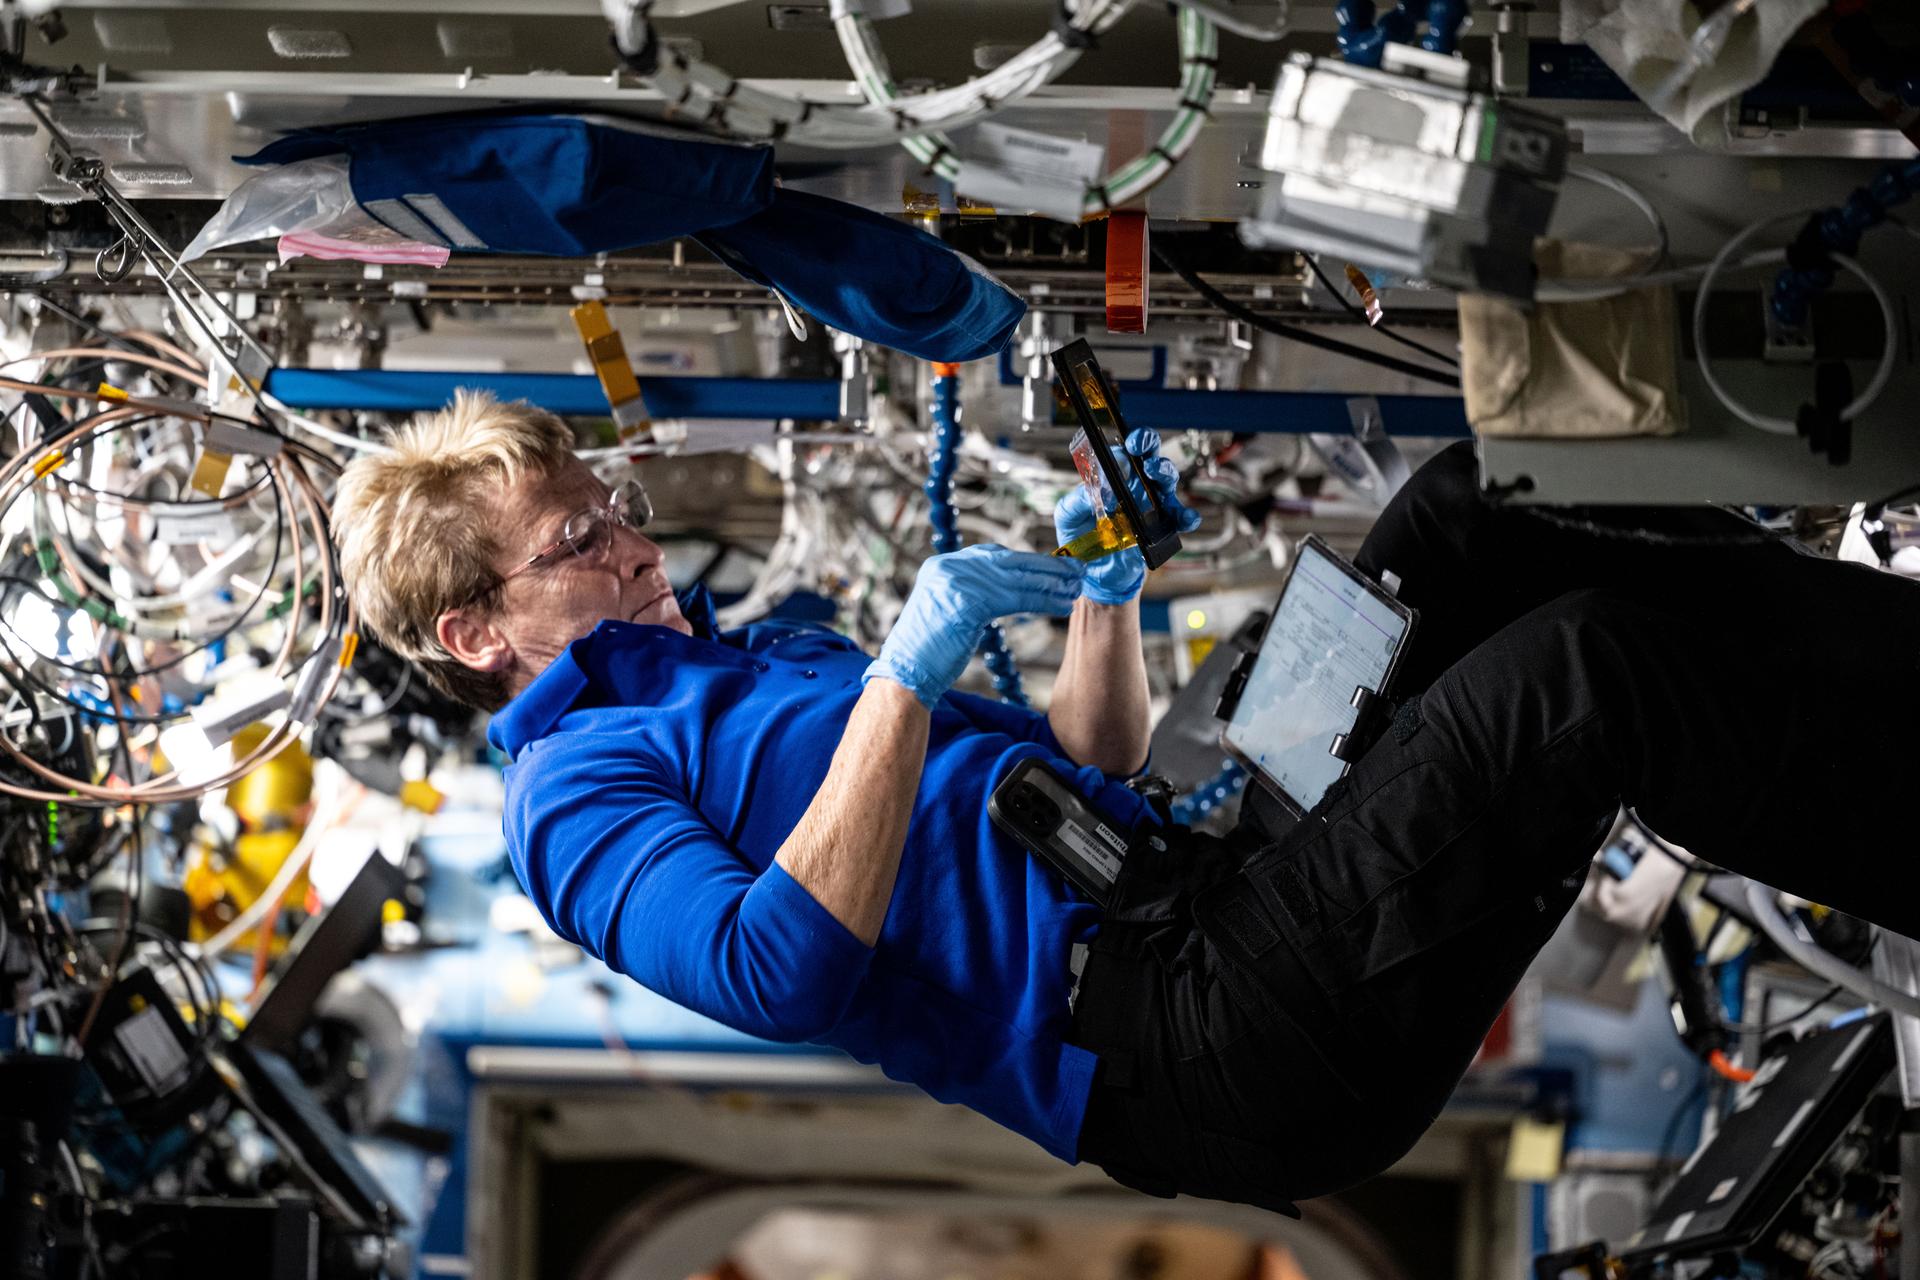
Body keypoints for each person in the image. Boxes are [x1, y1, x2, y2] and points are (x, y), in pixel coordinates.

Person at [334, 390, 1920, 1216]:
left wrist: (1104, 593)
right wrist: (904, 676)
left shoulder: (762, 658)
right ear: (478, 635)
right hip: (1202, 1035)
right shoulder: (574, 797)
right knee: (1580, 678)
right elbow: (778, 970)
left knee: (1463, 512)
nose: (627, 540)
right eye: (574, 544)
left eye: (609, 503)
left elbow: (1087, 774)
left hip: (1206, 860)